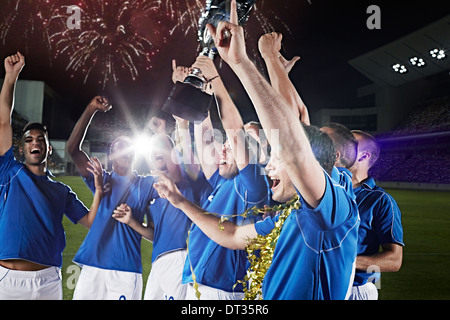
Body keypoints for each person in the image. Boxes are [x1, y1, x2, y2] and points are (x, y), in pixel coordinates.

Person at [153, 0, 360, 299]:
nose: (268, 165)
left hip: (222, 289)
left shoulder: (334, 208)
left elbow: (294, 135)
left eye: (272, 155)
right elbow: (236, 235)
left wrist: (242, 63)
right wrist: (180, 201)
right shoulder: (292, 211)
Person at [0, 52, 103, 300]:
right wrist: (11, 78)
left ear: (47, 148)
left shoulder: (62, 191)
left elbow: (90, 221)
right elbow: (4, 122)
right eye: (29, 140)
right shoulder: (10, 172)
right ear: (22, 148)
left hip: (48, 281)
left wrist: (99, 190)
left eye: (40, 139)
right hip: (9, 280)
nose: (34, 143)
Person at [174, 54, 271, 299]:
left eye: (245, 144)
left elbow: (236, 131)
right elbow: (205, 132)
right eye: (225, 142)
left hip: (225, 290)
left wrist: (216, 77)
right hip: (199, 282)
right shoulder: (225, 181)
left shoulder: (255, 187)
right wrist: (197, 88)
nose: (226, 146)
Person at [66, 96, 159, 300]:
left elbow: (153, 234)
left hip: (125, 270)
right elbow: (72, 149)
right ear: (112, 153)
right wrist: (91, 108)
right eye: (120, 145)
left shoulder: (146, 184)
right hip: (92, 266)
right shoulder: (101, 179)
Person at [112, 133, 211, 300]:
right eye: (155, 153)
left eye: (165, 151)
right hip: (158, 261)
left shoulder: (187, 183)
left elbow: (182, 167)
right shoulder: (154, 192)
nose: (160, 157)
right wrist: (132, 222)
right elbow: (154, 234)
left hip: (180, 256)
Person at [348, 130, 404, 300]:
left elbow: (394, 261)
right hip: (321, 285)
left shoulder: (381, 200)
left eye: (349, 144)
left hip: (356, 290)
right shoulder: (328, 191)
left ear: (363, 156)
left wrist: (346, 262)